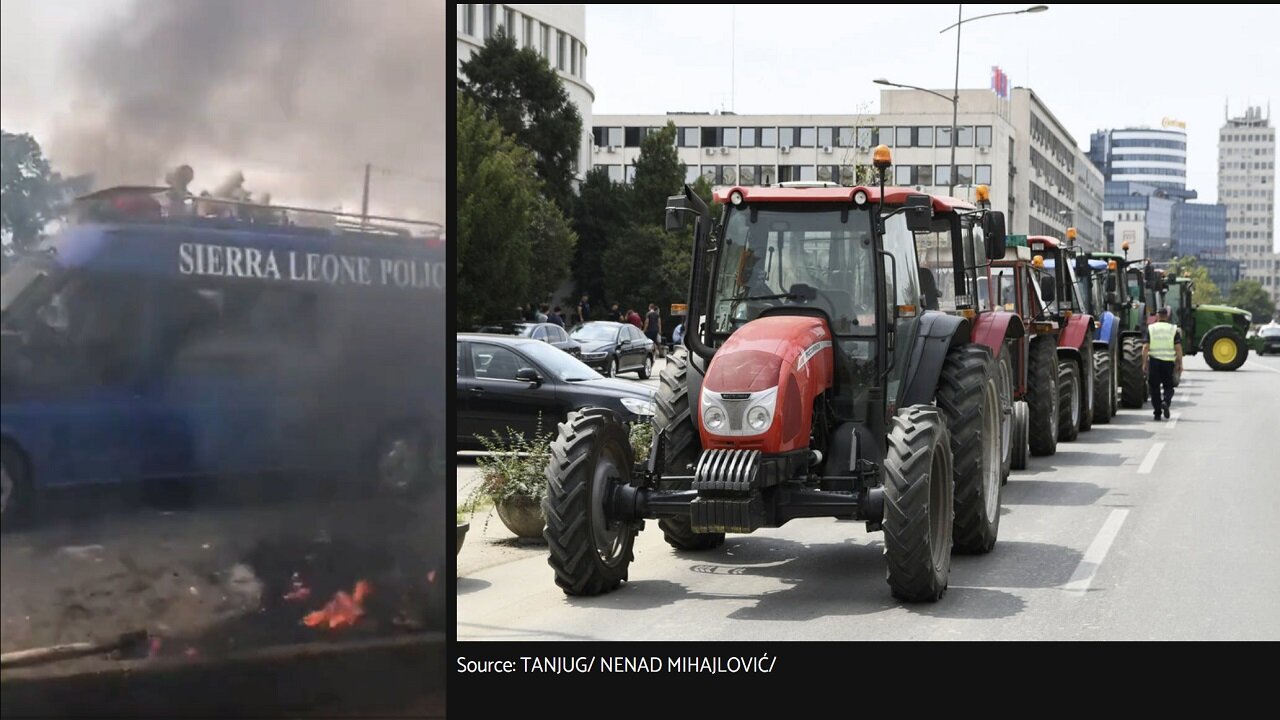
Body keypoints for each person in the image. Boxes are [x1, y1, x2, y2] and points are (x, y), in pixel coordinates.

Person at [1142, 306, 1183, 420]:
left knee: (1154, 388)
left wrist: (1144, 363)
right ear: (1167, 316)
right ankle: (1166, 401)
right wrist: (1180, 363)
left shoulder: (1151, 328)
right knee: (1168, 386)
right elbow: (1178, 348)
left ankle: (1157, 413)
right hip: (1168, 363)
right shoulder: (1173, 329)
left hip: (1154, 362)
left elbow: (1145, 347)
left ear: (1157, 316)